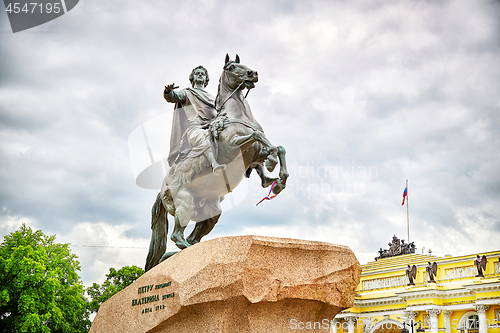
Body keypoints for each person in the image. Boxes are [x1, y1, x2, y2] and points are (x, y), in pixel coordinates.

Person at [164, 66, 226, 173]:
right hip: (195, 129)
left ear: (206, 79)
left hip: (212, 126)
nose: (200, 75)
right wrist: (168, 92)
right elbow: (174, 96)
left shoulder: (213, 97)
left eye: (203, 74)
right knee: (204, 136)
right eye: (197, 73)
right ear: (192, 79)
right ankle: (215, 164)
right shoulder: (188, 93)